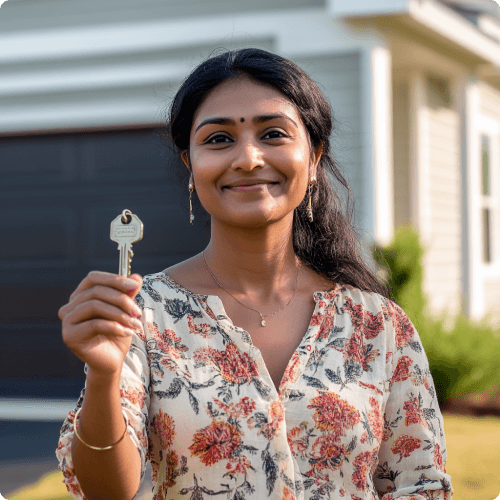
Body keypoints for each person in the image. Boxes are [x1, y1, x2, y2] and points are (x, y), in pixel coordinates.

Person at [56, 48, 453, 500]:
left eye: (273, 133)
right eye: (219, 139)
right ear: (190, 165)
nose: (247, 157)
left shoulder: (378, 326)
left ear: (314, 158)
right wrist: (105, 376)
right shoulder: (140, 315)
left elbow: (419, 485)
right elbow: (106, 492)